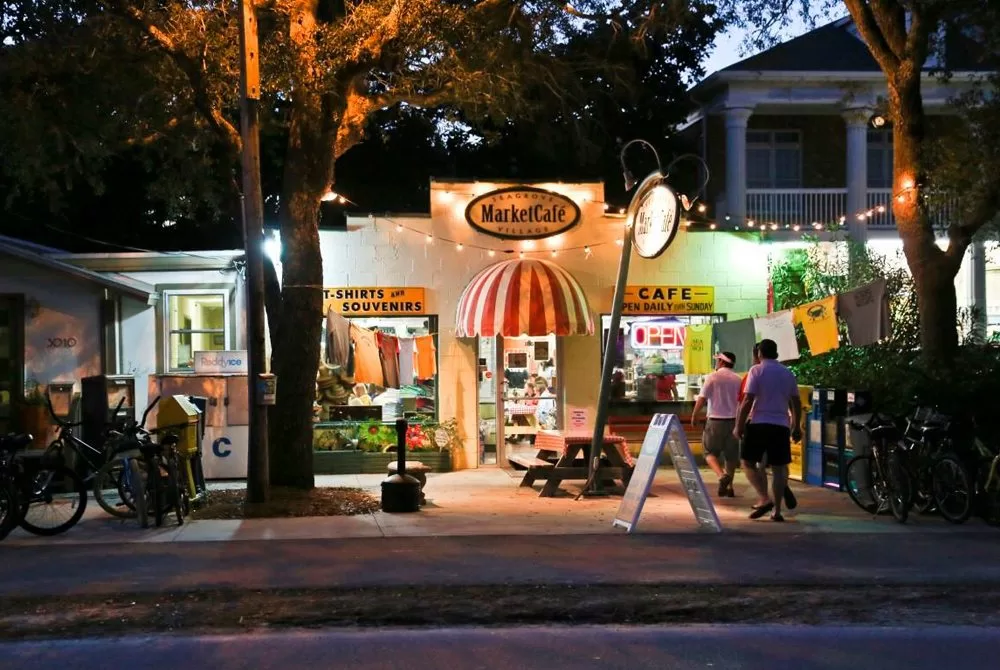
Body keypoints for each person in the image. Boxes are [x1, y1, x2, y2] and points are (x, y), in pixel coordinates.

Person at [733, 339, 803, 522]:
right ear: (776, 353)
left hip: (759, 423)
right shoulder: (787, 373)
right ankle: (777, 511)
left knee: (748, 462)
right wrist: (796, 425)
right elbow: (796, 402)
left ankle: (764, 498)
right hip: (781, 425)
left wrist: (739, 425)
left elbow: (748, 400)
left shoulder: (757, 370)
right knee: (780, 468)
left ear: (759, 354)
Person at [691, 352, 742, 498]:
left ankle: (721, 476)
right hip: (733, 422)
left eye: (717, 360)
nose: (716, 363)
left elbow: (702, 398)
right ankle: (730, 487)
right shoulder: (738, 379)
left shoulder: (712, 378)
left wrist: (695, 415)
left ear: (721, 362)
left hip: (715, 421)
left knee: (709, 453)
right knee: (731, 456)